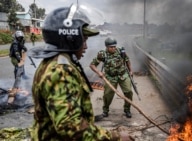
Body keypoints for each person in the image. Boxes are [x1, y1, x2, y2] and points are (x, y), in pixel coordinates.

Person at [28, 4, 133, 141]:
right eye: (84, 40)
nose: (86, 46)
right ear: (70, 38)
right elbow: (70, 127)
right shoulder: (60, 71)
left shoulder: (53, 63)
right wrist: (115, 137)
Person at [89, 37, 134, 118]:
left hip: (123, 75)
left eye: (114, 46)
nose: (113, 48)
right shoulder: (102, 54)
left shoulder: (121, 51)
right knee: (107, 94)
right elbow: (92, 65)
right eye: (111, 47)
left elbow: (127, 60)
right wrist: (99, 72)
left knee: (129, 92)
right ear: (107, 47)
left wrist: (130, 71)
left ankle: (127, 109)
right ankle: (105, 110)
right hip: (110, 77)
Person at [8, 30, 27, 104]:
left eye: (21, 37)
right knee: (18, 67)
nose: (20, 38)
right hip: (14, 58)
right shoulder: (15, 43)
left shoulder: (20, 41)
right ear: (16, 37)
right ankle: (17, 81)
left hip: (18, 57)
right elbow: (16, 52)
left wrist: (24, 48)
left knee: (21, 67)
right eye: (19, 37)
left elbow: (22, 47)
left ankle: (22, 75)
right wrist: (20, 59)